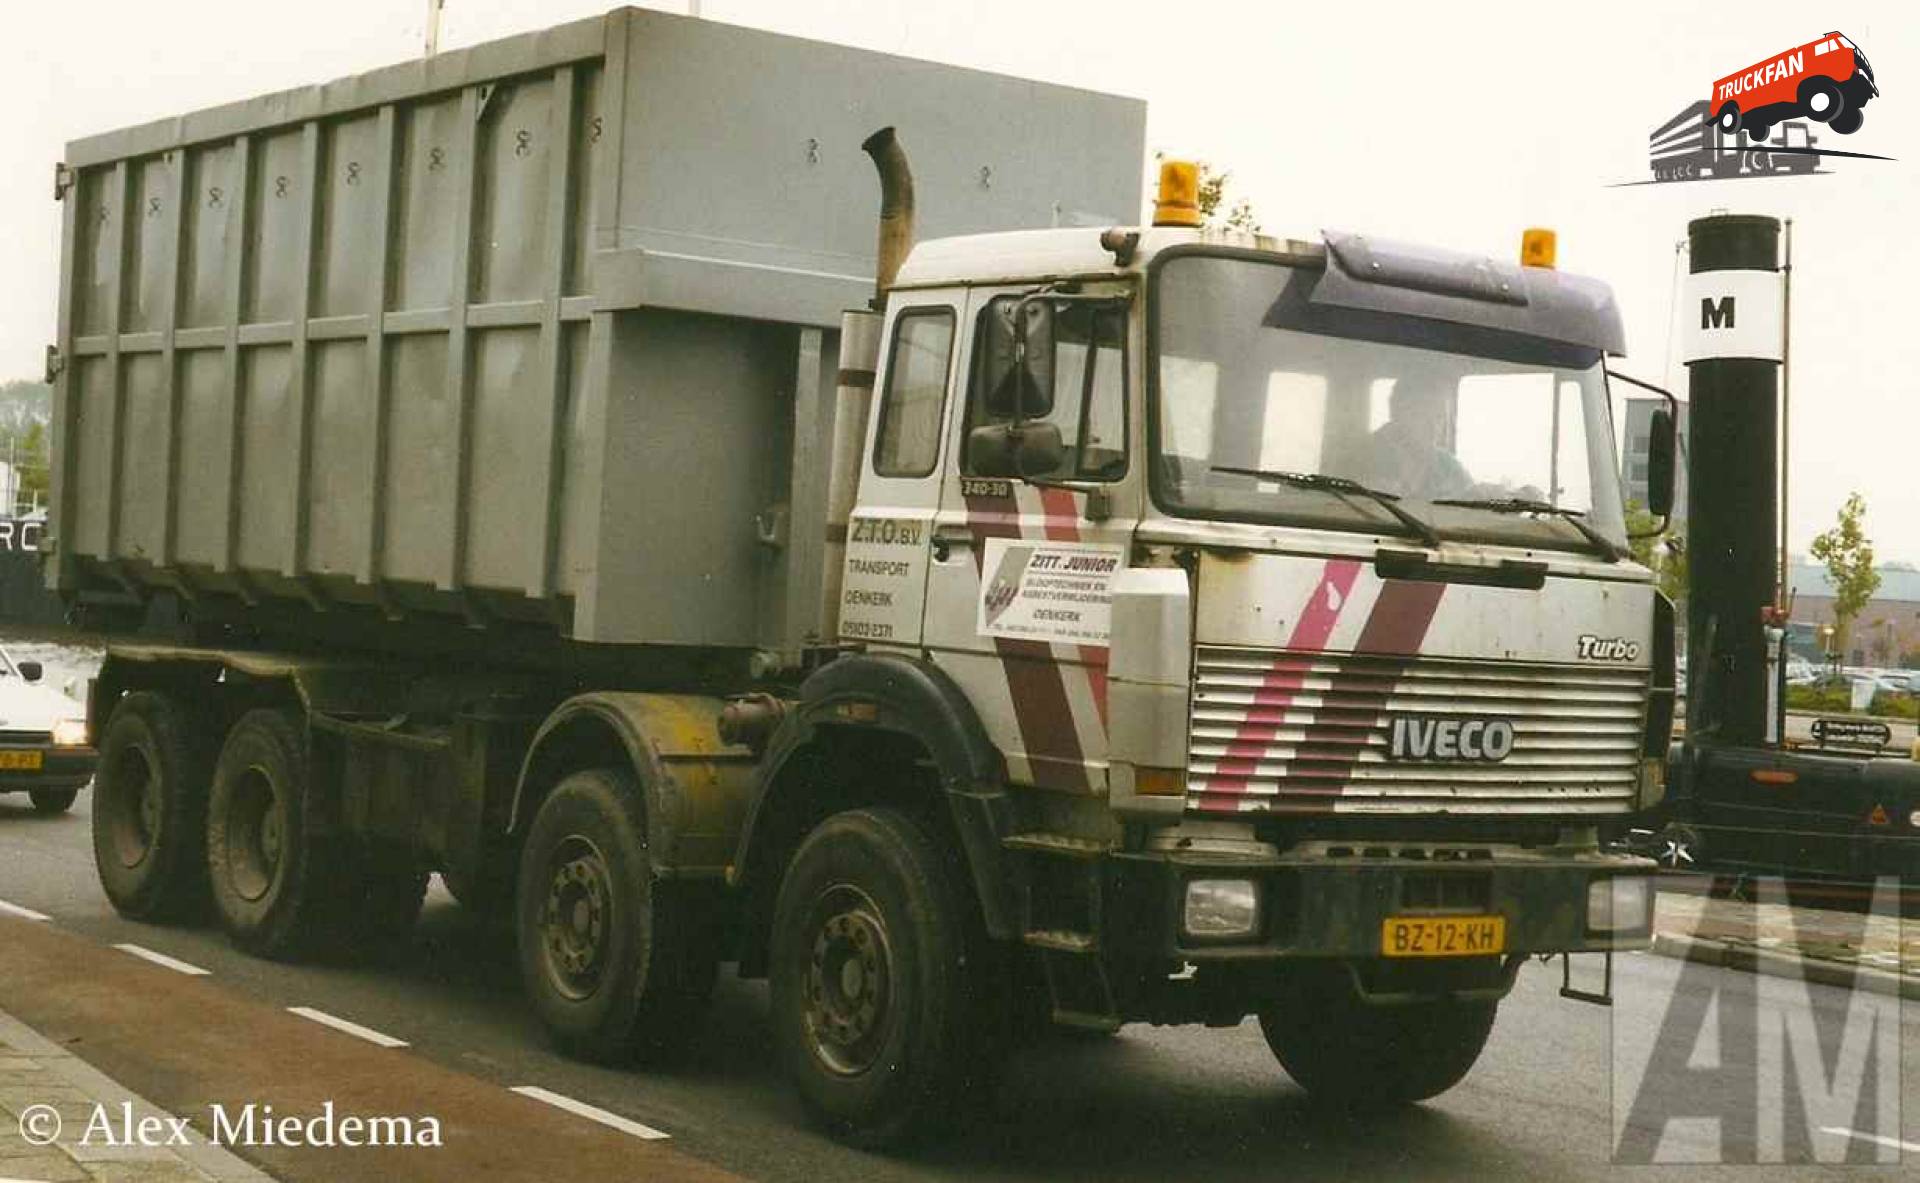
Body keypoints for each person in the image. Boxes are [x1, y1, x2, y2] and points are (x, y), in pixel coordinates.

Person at [1355, 384, 1474, 501]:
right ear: (1397, 413)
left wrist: (1479, 495)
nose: (1433, 426)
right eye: (1422, 415)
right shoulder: (1363, 457)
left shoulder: (1447, 466)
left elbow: (1469, 498)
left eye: (1439, 417)